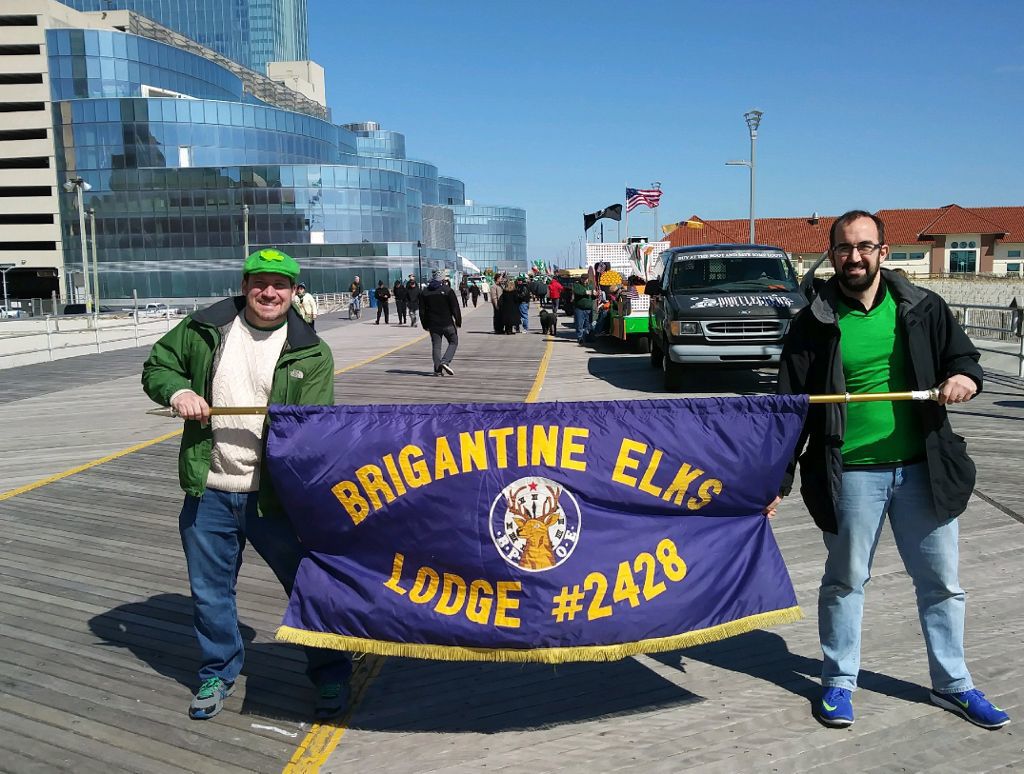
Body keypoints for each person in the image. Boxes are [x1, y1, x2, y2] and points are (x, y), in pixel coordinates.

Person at [772, 210, 1009, 731]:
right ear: (831, 254)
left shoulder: (923, 307)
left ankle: (953, 685)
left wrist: (965, 380)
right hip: (851, 475)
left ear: (883, 251)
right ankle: (839, 680)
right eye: (844, 248)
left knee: (941, 583)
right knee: (845, 581)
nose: (854, 257)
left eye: (864, 246)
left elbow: (964, 360)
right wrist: (776, 481)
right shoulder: (812, 322)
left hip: (924, 469)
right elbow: (791, 408)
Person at [141, 248, 352, 722]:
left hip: (279, 498)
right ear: (244, 285)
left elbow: (313, 429)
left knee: (308, 584)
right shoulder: (203, 328)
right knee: (210, 591)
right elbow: (158, 367)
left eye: (280, 284)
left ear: (294, 292)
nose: (269, 292)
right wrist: (179, 391)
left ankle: (332, 672)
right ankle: (217, 671)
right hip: (210, 488)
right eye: (260, 283)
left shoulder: (312, 351)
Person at [420, 268, 462, 376]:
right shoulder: (448, 290)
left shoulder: (425, 292)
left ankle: (437, 370)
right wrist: (458, 321)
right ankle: (445, 361)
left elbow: (422, 311)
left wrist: (425, 324)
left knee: (436, 346)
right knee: (453, 341)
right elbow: (455, 308)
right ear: (442, 278)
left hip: (433, 324)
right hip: (447, 323)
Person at [572, 275, 596, 346]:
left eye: (586, 279)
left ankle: (586, 337)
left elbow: (593, 297)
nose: (585, 280)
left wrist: (595, 294)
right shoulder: (577, 285)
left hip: (588, 309)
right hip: (579, 309)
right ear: (581, 279)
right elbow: (577, 292)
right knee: (579, 324)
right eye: (584, 279)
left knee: (588, 325)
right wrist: (585, 292)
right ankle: (580, 337)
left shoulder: (590, 286)